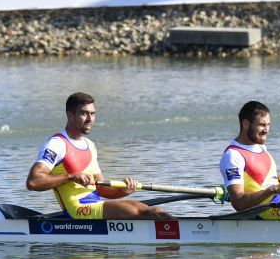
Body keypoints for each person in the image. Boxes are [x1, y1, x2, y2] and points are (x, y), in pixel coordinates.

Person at [26, 92, 172, 220]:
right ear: (70, 115)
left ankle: (173, 243)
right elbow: (33, 182)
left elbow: (101, 189)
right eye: (84, 113)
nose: (90, 119)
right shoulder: (56, 144)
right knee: (143, 212)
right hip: (78, 210)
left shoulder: (90, 145)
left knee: (158, 212)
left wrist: (124, 190)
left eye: (93, 113)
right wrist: (70, 176)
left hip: (94, 205)